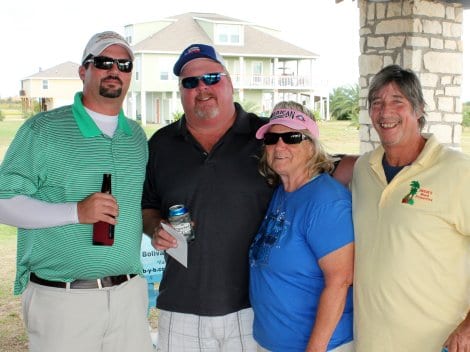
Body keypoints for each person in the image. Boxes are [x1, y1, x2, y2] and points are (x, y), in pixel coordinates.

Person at [142, 43, 356, 351]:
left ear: (228, 82)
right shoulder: (161, 145)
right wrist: (155, 228)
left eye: (212, 78)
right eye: (190, 82)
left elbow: (325, 167)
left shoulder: (265, 135)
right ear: (181, 91)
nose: (202, 88)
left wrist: (389, 165)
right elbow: (148, 207)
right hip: (181, 306)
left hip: (250, 312)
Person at [0, 31, 153, 352]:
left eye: (124, 65)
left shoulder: (136, 137)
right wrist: (75, 212)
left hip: (129, 295)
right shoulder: (43, 129)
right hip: (63, 299)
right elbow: (3, 202)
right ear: (84, 71)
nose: (115, 70)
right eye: (103, 62)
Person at [352, 64, 470, 352]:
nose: (385, 112)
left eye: (397, 102)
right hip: (370, 343)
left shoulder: (457, 170)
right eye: (376, 103)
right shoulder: (362, 170)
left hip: (437, 343)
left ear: (418, 110)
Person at [249, 101, 354, 352]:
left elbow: (340, 281)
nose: (280, 146)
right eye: (272, 138)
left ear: (311, 146)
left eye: (292, 137)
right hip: (272, 342)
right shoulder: (284, 192)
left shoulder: (326, 201)